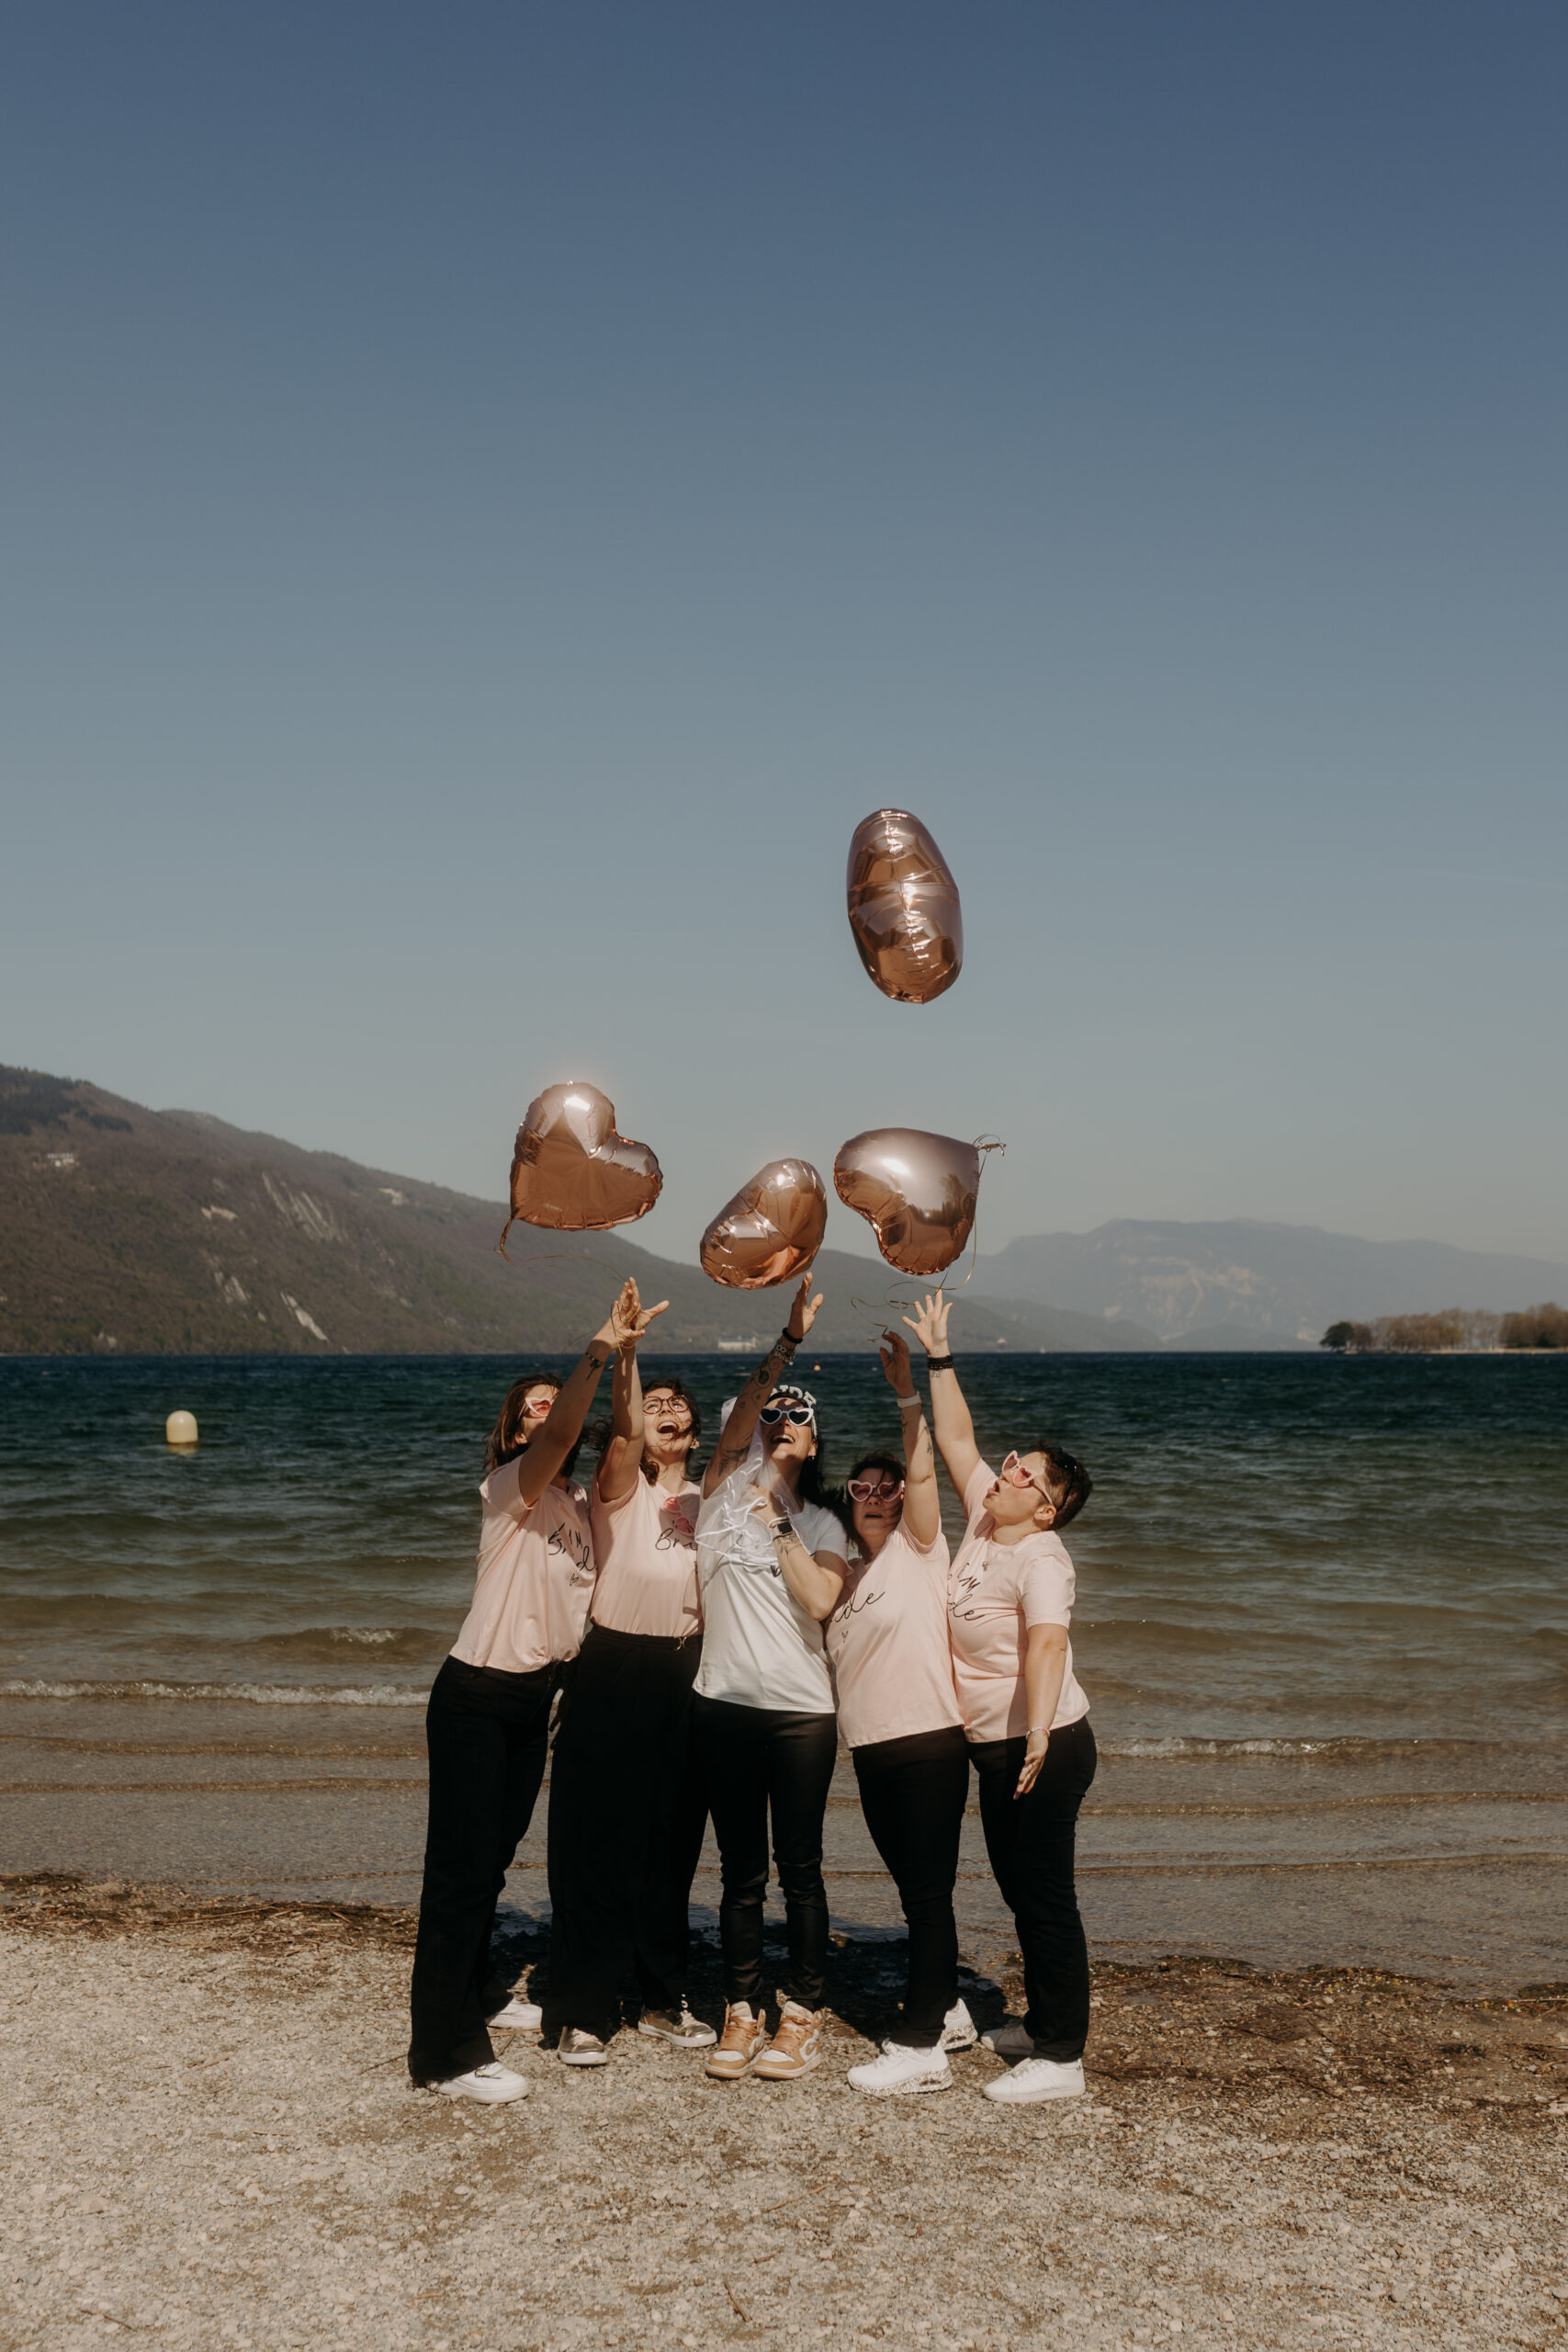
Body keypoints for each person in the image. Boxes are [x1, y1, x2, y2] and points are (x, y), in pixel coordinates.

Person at [406, 1279, 654, 2104]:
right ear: (516, 1433)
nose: (548, 1415)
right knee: (460, 1877)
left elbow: (622, 1435)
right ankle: (444, 2056)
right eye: (534, 1410)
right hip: (477, 1695)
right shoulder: (510, 1488)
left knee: (492, 1862)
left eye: (553, 1403)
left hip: (532, 1700)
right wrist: (596, 1346)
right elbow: (564, 1431)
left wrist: (627, 1356)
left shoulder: (577, 1503)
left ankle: (478, 1993)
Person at [905, 1288, 1098, 2108]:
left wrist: (1040, 1733)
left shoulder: (1040, 1558)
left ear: (1046, 1508)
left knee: (1045, 1895)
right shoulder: (990, 1523)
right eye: (1014, 1460)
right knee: (1020, 1891)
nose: (1007, 1469)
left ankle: (1061, 2057)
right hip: (999, 1744)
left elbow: (1047, 1643)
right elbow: (955, 1437)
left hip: (1042, 1746)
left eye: (1025, 1473)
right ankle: (1041, 2022)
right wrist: (937, 1355)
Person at [692, 1273, 851, 2083]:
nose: (785, 1419)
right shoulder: (719, 1494)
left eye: (801, 1417)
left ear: (814, 1445)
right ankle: (741, 2007)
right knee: (740, 1873)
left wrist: (780, 1523)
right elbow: (747, 1412)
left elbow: (821, 1599)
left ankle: (803, 2013)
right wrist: (787, 1343)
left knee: (801, 1868)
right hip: (722, 1705)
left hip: (798, 1714)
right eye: (773, 1414)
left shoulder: (822, 1522)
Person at [543, 1329, 715, 2065]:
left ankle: (660, 1994)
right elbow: (623, 1427)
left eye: (678, 1407)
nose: (665, 1413)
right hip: (614, 1665)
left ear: (696, 1432)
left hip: (689, 1673)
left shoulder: (712, 1500)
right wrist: (628, 1357)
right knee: (594, 1842)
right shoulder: (619, 1486)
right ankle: (582, 2008)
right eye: (654, 1405)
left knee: (670, 1844)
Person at [829, 1329, 978, 2097]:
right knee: (917, 1890)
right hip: (872, 1749)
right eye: (862, 1489)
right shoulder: (839, 1577)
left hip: (926, 1742)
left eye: (886, 1488)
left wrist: (908, 1395)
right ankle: (949, 2010)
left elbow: (922, 1471)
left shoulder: (919, 1549)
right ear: (845, 1503)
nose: (878, 1496)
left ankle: (919, 2048)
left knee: (924, 1895)